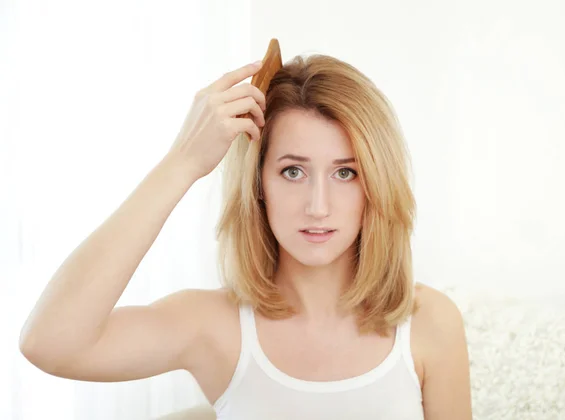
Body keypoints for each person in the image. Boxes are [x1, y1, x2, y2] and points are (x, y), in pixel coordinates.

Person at [19, 54, 472, 419]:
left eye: (346, 173)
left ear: (377, 183)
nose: (318, 205)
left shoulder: (430, 323)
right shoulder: (215, 327)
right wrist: (182, 163)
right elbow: (50, 343)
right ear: (258, 186)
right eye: (292, 171)